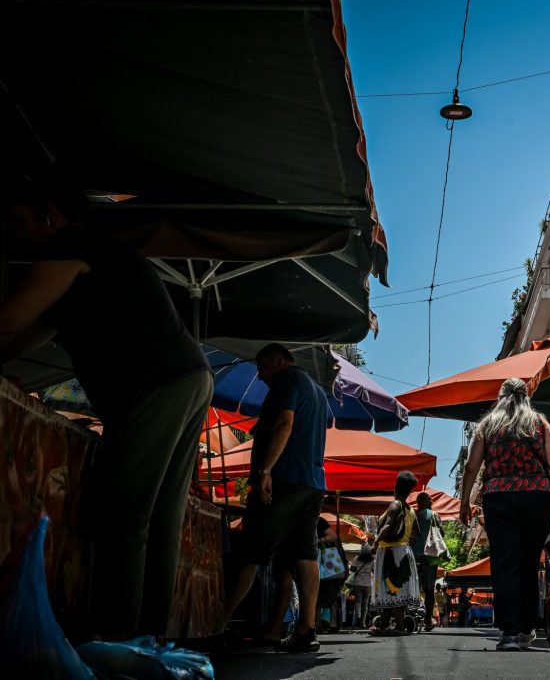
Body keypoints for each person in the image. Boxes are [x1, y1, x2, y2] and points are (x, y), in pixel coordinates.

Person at [0, 175, 212, 638]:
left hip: (158, 384)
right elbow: (23, 335)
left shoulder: (70, 246)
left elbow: (9, 319)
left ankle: (121, 643)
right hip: (187, 376)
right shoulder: (96, 257)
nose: (13, 233)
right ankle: (150, 643)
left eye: (18, 221)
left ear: (50, 214)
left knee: (125, 518)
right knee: (157, 522)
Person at [222, 343, 329, 653]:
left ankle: (216, 623)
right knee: (304, 555)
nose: (260, 376)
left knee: (251, 551)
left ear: (279, 360)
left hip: (285, 479)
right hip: (312, 483)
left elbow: (284, 423)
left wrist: (266, 469)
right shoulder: (318, 392)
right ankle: (305, 629)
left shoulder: (287, 381)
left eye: (263, 368)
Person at [460, 377, 550, 651]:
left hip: (498, 497)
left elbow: (472, 467)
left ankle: (509, 633)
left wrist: (464, 502)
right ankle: (526, 629)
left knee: (505, 561)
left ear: (501, 397)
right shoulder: (539, 423)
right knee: (529, 561)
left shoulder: (487, 425)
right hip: (538, 496)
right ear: (526, 397)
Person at [369, 470, 421, 636]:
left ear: (395, 487)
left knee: (393, 587)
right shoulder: (410, 510)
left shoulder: (395, 504)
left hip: (391, 550)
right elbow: (416, 533)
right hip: (404, 549)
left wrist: (376, 543)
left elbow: (387, 526)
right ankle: (385, 625)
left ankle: (399, 626)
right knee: (394, 587)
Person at [409, 491, 440, 631]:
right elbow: (441, 534)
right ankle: (428, 619)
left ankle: (410, 616)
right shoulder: (433, 515)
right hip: (429, 557)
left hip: (413, 556)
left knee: (412, 588)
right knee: (429, 590)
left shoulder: (412, 515)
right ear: (428, 502)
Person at [315, 518, 344, 634]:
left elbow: (333, 536)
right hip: (325, 566)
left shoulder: (319, 521)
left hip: (323, 563)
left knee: (323, 595)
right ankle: (320, 624)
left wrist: (318, 540)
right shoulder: (318, 520)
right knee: (320, 596)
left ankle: (321, 624)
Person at [348, 541, 374, 628]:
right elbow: (373, 570)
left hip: (358, 583)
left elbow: (352, 569)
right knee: (365, 604)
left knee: (358, 602)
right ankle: (363, 623)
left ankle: (358, 619)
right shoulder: (372, 559)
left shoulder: (357, 558)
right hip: (367, 584)